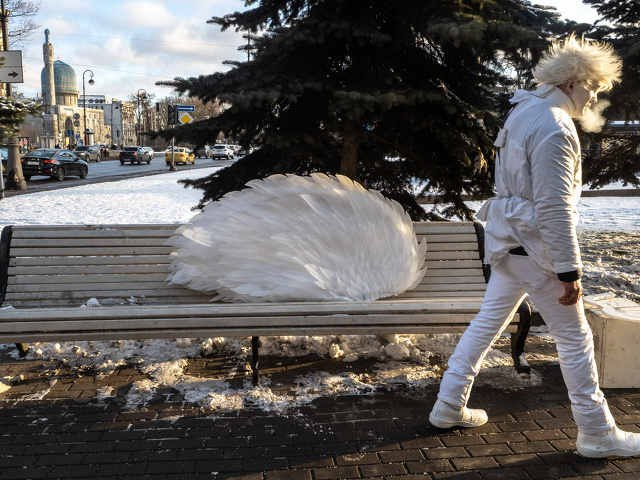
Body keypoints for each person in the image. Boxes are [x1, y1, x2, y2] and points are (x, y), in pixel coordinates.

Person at [428, 35, 640, 458]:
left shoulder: (524, 109)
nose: (595, 95)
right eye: (593, 85)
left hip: (510, 242)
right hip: (535, 248)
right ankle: (596, 432)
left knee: (488, 321)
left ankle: (449, 404)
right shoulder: (555, 126)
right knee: (575, 339)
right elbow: (554, 207)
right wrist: (569, 271)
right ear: (573, 81)